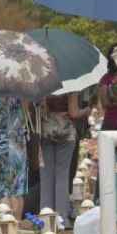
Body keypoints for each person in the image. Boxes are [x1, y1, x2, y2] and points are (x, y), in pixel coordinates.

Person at [39, 93, 90, 226]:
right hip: (66, 132)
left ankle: (45, 217)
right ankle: (62, 218)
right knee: (62, 175)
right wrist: (87, 110)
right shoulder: (71, 84)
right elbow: (73, 113)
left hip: (47, 129)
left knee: (46, 175)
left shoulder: (46, 84)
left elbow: (42, 109)